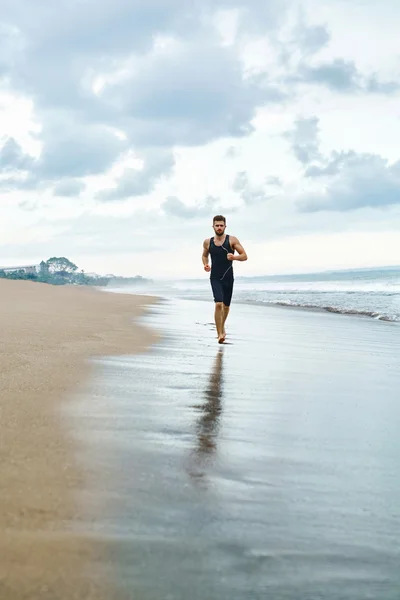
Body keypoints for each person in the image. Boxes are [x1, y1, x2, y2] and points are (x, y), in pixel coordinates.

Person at [202, 215, 248, 343]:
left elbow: (244, 256)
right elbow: (204, 256)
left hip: (228, 277)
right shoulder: (208, 242)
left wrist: (234, 258)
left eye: (221, 225)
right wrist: (205, 264)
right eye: (217, 225)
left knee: (226, 306)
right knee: (218, 304)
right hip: (215, 277)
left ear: (225, 226)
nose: (219, 227)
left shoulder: (232, 240)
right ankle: (219, 334)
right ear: (213, 227)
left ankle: (222, 327)